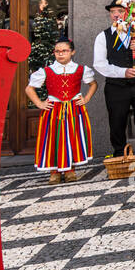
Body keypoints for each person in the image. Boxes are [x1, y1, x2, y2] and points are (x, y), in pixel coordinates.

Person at [95, 0, 135, 165]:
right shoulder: (103, 36)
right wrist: (122, 72)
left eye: (120, 11)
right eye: (113, 12)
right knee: (117, 122)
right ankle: (120, 156)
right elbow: (99, 64)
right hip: (116, 87)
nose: (116, 15)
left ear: (129, 13)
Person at [26, 39, 97, 184]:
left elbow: (93, 84)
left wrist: (86, 98)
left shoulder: (80, 69)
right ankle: (54, 171)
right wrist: (39, 103)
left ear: (72, 52)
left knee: (72, 137)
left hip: (74, 108)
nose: (60, 54)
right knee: (53, 139)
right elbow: (29, 88)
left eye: (64, 51)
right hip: (54, 109)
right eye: (57, 51)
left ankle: (70, 170)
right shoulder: (47, 71)